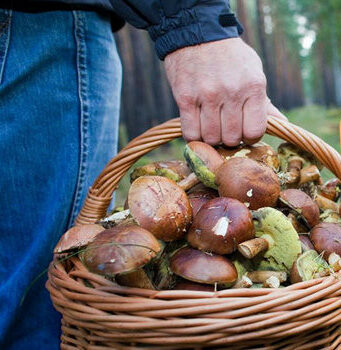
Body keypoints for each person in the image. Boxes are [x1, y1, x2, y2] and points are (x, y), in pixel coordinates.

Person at [0, 0, 284, 348]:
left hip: (31, 28)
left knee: (30, 293)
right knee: (38, 308)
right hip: (43, 26)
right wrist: (196, 25)